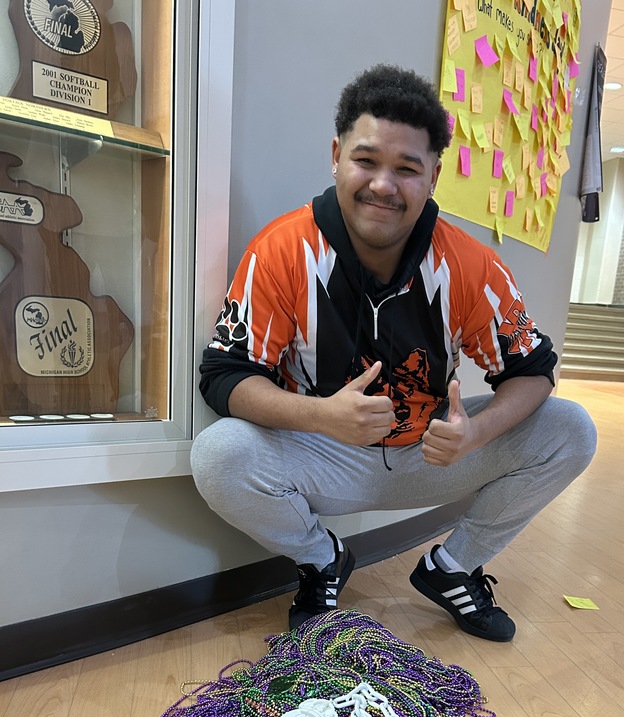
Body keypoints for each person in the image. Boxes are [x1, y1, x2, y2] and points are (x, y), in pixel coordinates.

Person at [191, 64, 596, 642]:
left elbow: (534, 372)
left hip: (429, 457)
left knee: (571, 428)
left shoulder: (472, 266)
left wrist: (475, 436)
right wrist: (319, 415)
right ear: (336, 155)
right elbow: (224, 377)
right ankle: (321, 559)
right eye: (366, 160)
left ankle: (452, 568)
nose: (383, 184)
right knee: (218, 454)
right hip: (321, 454)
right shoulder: (279, 251)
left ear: (434, 175)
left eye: (407, 169)